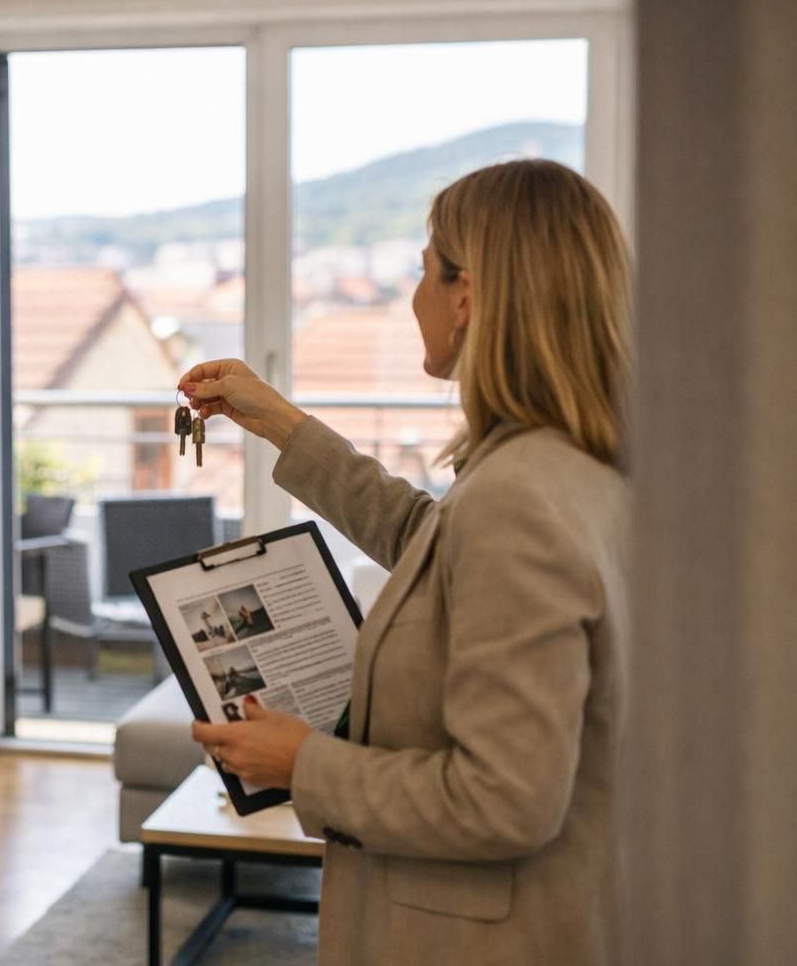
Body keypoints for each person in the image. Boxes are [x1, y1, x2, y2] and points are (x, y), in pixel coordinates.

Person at [187, 159, 630, 966]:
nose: (414, 294)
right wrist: (286, 424)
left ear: (466, 297)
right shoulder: (571, 468)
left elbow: (505, 800)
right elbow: (436, 541)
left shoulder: (518, 498)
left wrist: (304, 763)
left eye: (423, 270)